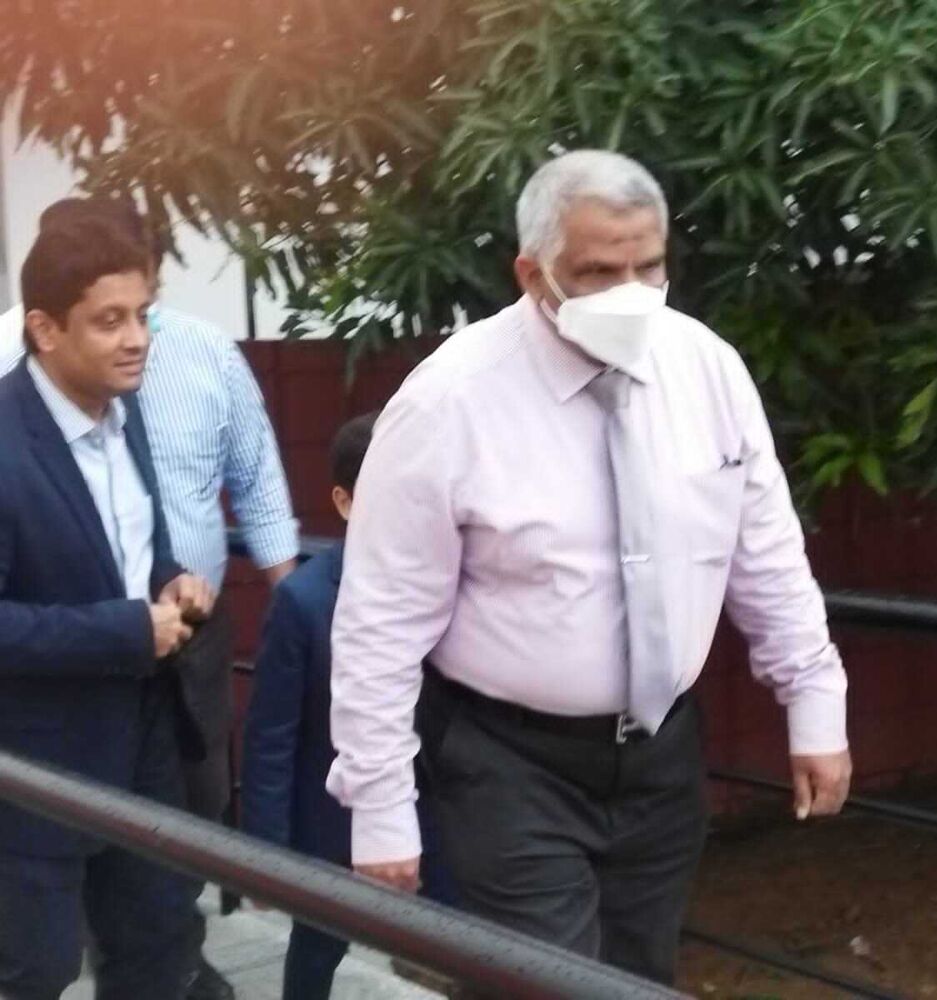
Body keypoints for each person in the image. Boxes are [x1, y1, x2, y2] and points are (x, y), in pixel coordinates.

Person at [327, 149, 853, 985]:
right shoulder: (447, 403)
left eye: (650, 267)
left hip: (662, 758)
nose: (631, 293)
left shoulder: (706, 369)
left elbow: (764, 552)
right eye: (600, 272)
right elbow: (381, 619)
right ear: (532, 273)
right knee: (548, 985)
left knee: (639, 978)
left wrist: (814, 702)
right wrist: (380, 807)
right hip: (509, 764)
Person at [0, 197, 299, 1000]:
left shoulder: (122, 414)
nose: (137, 339)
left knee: (158, 952)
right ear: (45, 329)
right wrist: (128, 630)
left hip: (147, 740)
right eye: (110, 321)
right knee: (36, 971)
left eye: (143, 315)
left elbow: (130, 543)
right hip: (36, 765)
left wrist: (171, 577)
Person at [242, 412, 454, 1000]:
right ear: (343, 501)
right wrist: (263, 850)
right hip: (331, 820)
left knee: (470, 943)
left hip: (440, 810)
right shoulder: (302, 600)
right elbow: (271, 737)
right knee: (318, 948)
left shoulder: (449, 582)